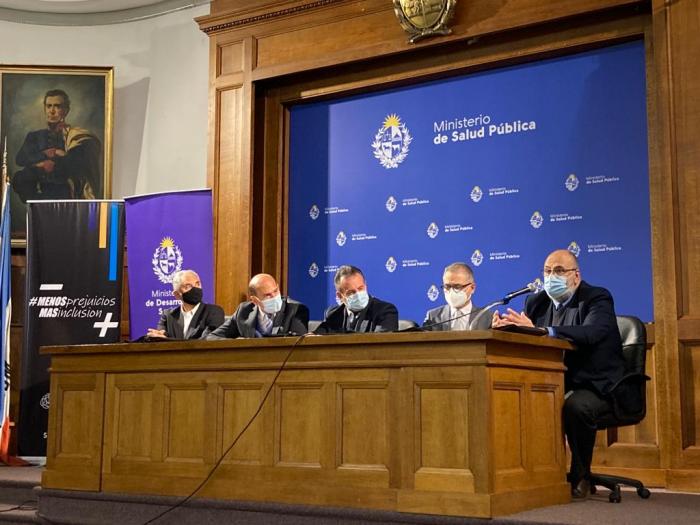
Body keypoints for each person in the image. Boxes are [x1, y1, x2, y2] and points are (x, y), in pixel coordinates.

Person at [491, 249, 625, 499]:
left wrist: (543, 330)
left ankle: (581, 475)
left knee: (575, 406)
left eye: (559, 271)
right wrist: (506, 330)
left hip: (598, 383)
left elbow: (592, 333)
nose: (552, 276)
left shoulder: (596, 298)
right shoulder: (536, 302)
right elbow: (528, 338)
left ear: (576, 275)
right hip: (554, 380)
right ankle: (536, 474)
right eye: (548, 271)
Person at [13, 89, 102, 202]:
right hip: (39, 194)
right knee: (20, 177)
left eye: (57, 106)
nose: (52, 111)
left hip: (66, 193)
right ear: (45, 109)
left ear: (66, 110)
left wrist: (56, 158)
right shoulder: (34, 136)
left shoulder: (75, 136)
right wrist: (44, 157)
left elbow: (76, 164)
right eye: (49, 106)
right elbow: (20, 159)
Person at [207, 273, 308, 339]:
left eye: (275, 291)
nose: (274, 297)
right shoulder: (244, 311)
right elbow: (212, 337)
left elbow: (296, 345)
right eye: (268, 295)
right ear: (255, 300)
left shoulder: (295, 310)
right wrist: (239, 344)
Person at [314, 265, 398, 334]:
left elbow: (380, 344)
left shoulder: (385, 311)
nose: (358, 294)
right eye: (351, 292)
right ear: (340, 296)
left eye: (361, 288)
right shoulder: (333, 314)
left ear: (366, 286)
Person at [147, 269, 224, 340]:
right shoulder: (168, 316)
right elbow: (162, 339)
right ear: (177, 294)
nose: (195, 289)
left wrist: (169, 341)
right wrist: (158, 338)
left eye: (198, 284)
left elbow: (205, 341)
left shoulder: (214, 312)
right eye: (188, 286)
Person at [423, 262, 491, 330]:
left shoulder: (488, 317)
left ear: (472, 288)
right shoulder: (433, 317)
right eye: (447, 286)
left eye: (457, 287)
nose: (451, 292)